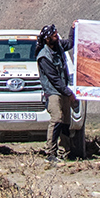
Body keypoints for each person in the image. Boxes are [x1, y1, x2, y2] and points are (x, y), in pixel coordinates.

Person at [35, 24, 73, 162]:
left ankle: (64, 151)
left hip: (63, 90)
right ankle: (50, 152)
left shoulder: (59, 46)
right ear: (47, 39)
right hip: (53, 92)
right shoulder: (44, 57)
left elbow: (70, 43)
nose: (57, 37)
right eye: (54, 35)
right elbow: (54, 79)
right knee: (57, 118)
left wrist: (73, 28)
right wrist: (68, 93)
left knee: (66, 121)